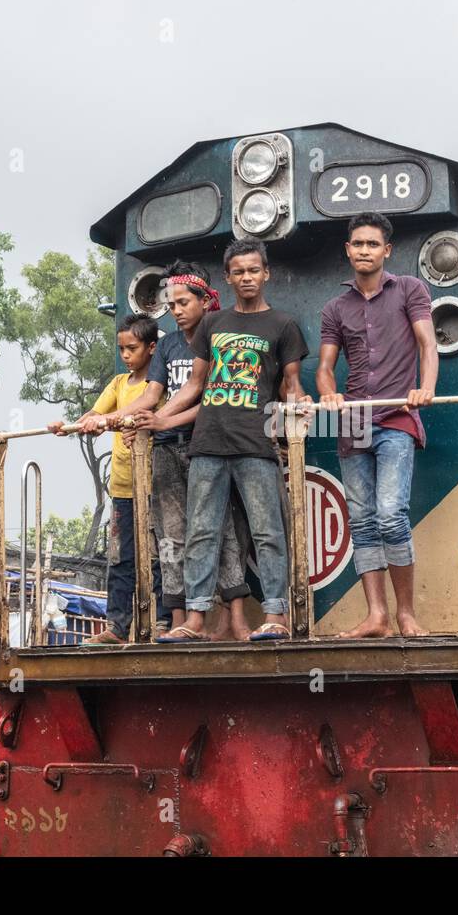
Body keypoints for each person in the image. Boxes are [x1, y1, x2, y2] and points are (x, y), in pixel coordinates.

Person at [150, 239, 309, 642]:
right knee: (202, 531)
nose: (247, 277)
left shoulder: (283, 325)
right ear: (228, 277)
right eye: (239, 271)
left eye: (254, 270)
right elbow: (194, 386)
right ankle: (195, 621)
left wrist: (300, 407)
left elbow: (291, 385)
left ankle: (276, 616)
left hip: (256, 444)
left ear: (266, 273)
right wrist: (156, 418)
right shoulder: (212, 324)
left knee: (267, 532)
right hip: (207, 444)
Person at [116, 261, 254, 641]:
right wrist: (111, 418)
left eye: (181, 302)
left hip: (207, 446)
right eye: (170, 303)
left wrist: (159, 420)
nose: (175, 310)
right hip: (165, 449)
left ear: (205, 300)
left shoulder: (222, 337)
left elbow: (211, 398)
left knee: (221, 531)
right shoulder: (169, 344)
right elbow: (152, 394)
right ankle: (180, 621)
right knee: (170, 537)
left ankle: (236, 618)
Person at [317, 212, 438, 639]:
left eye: (372, 244)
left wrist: (425, 389)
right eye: (357, 244)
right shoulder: (336, 307)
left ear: (386, 250)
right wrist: (329, 393)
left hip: (396, 417)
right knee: (363, 519)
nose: (364, 251)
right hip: (354, 423)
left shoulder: (410, 289)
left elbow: (427, 344)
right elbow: (326, 368)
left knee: (391, 515)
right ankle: (377, 617)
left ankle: (406, 614)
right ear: (347, 250)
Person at [48, 314, 165, 644]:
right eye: (122, 349)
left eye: (133, 348)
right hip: (123, 488)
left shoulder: (159, 386)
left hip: (157, 486)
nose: (126, 355)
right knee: (119, 558)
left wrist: (112, 422)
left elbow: (149, 418)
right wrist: (69, 426)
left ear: (152, 348)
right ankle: (116, 627)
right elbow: (95, 416)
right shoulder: (117, 384)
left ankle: (165, 623)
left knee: (161, 557)